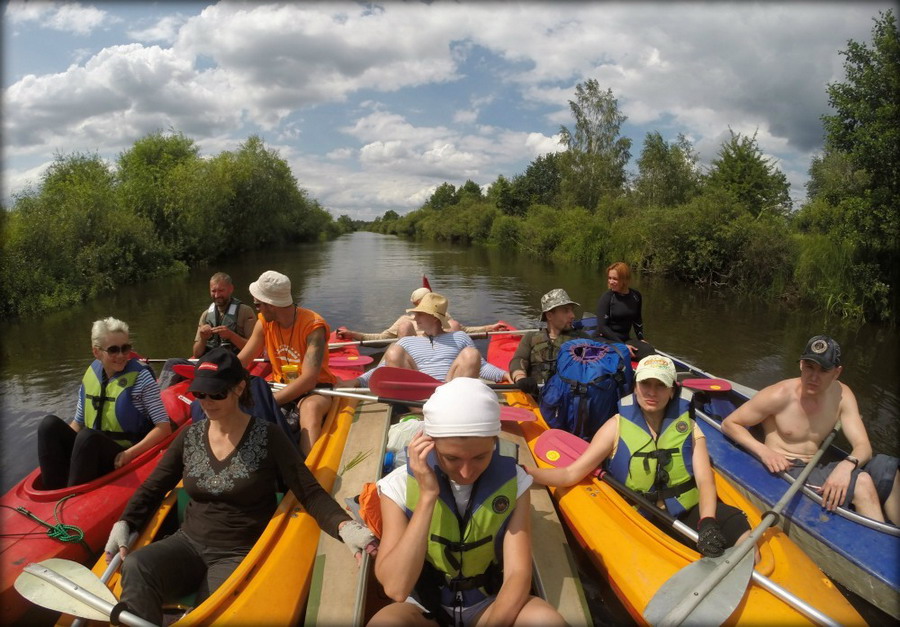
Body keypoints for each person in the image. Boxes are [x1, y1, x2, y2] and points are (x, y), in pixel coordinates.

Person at [103, 348, 377, 625]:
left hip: (238, 552)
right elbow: (153, 487)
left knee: (208, 611)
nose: (208, 402)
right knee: (137, 566)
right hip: (187, 544)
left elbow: (309, 491)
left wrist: (345, 527)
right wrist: (126, 522)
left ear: (239, 388)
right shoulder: (190, 436)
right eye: (200, 395)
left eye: (217, 394)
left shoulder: (268, 436)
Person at [368, 377, 566, 627]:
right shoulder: (396, 486)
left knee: (546, 621)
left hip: (487, 605)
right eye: (452, 458)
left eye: (480, 457)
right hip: (423, 609)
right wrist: (428, 496)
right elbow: (396, 588)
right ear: (429, 443)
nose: (466, 472)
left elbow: (517, 574)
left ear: (494, 442)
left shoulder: (515, 482)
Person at [527, 355, 753, 559]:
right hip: (637, 517)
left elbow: (705, 481)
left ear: (672, 391)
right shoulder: (614, 427)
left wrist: (708, 522)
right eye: (646, 383)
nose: (652, 392)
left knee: (742, 533)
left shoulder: (690, 428)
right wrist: (527, 474)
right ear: (636, 387)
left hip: (686, 512)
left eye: (661, 385)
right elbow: (570, 473)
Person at [722, 336, 899, 525]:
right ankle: (879, 546)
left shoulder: (842, 395)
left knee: (888, 467)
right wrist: (764, 452)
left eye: (823, 370)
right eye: (809, 367)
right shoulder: (779, 395)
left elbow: (863, 447)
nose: (813, 377)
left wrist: (845, 466)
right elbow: (730, 423)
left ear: (836, 373)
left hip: (816, 467)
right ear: (801, 365)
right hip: (787, 469)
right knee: (862, 482)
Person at [36, 318, 173, 490]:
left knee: (88, 437)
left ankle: (71, 498)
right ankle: (51, 490)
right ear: (96, 352)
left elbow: (164, 428)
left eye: (126, 348)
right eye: (113, 350)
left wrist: (130, 454)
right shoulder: (92, 375)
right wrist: (60, 449)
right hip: (90, 451)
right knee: (48, 425)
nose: (122, 355)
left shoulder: (141, 378)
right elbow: (78, 423)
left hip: (121, 454)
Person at [237, 270, 336, 456]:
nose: (256, 308)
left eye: (258, 304)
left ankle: (308, 469)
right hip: (279, 385)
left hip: (315, 389)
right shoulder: (264, 323)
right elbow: (243, 359)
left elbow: (308, 380)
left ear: (271, 305)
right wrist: (219, 375)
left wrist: (269, 402)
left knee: (310, 408)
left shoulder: (314, 327)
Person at [348, 292, 510, 388]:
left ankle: (451, 407)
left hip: (450, 393)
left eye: (419, 313)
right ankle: (417, 409)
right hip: (416, 395)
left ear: (434, 318)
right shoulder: (406, 342)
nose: (415, 317)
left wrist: (506, 375)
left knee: (472, 354)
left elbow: (481, 366)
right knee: (393, 352)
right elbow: (383, 369)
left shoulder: (459, 337)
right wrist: (357, 381)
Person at [337, 287, 506, 341]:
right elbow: (381, 339)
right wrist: (353, 334)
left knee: (454, 327)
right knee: (404, 327)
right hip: (414, 359)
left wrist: (491, 328)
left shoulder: (445, 317)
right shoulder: (405, 321)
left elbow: (465, 331)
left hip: (442, 354)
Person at [508, 288, 591, 397]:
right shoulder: (530, 338)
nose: (572, 315)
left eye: (572, 310)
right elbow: (518, 359)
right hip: (536, 397)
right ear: (549, 315)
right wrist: (520, 378)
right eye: (566, 310)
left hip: (568, 400)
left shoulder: (582, 339)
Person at [594, 261, 655, 360]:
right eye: (609, 278)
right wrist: (622, 346)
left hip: (625, 339)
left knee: (649, 350)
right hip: (604, 339)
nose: (611, 281)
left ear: (625, 280)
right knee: (623, 352)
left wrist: (641, 339)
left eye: (615, 279)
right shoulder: (607, 297)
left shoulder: (636, 296)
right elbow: (602, 327)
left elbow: (637, 319)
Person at [191, 272, 256, 358]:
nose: (217, 295)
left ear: (231, 289)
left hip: (234, 360)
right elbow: (196, 354)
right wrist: (203, 339)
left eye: (221, 290)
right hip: (210, 361)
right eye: (213, 291)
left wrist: (231, 336)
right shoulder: (205, 315)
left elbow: (254, 348)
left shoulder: (245, 311)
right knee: (172, 362)